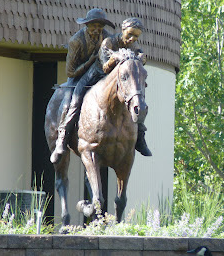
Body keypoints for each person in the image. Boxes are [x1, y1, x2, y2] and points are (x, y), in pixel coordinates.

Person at [50, 8, 115, 164]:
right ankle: (62, 138)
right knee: (68, 103)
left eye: (100, 26)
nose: (97, 30)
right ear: (86, 25)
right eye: (94, 26)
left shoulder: (107, 38)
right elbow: (71, 72)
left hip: (99, 76)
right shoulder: (76, 41)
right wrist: (91, 61)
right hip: (77, 78)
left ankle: (137, 136)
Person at [98, 17, 152, 156]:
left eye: (136, 36)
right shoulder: (109, 42)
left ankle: (140, 136)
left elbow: (138, 65)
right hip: (101, 77)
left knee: (138, 97)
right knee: (79, 94)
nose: (132, 39)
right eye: (130, 34)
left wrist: (141, 60)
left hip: (122, 82)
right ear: (123, 30)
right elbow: (104, 67)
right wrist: (113, 59)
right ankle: (64, 132)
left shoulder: (135, 47)